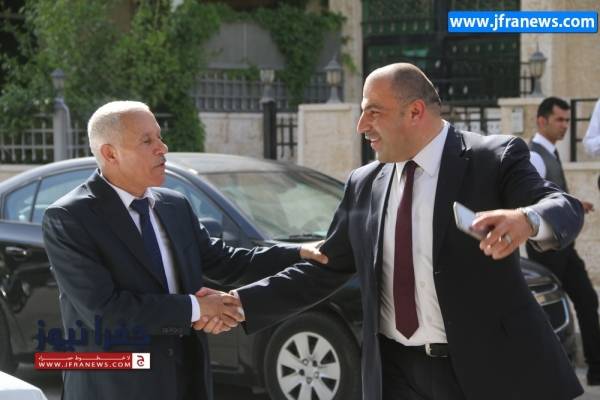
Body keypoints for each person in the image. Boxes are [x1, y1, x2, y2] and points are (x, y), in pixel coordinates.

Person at [204, 64, 586, 400]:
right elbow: (327, 267)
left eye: (373, 112)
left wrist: (526, 219)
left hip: (485, 372)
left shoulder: (492, 158)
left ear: (415, 111)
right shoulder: (364, 183)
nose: (361, 126)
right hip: (396, 375)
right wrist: (240, 303)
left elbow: (563, 205)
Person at [41, 101, 327, 400]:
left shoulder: (174, 205)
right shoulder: (70, 217)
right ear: (110, 153)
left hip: (186, 379)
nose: (162, 148)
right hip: (115, 388)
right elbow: (106, 312)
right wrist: (198, 308)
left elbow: (224, 262)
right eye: (147, 141)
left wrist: (298, 252)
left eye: (159, 136)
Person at [528, 96, 600, 385]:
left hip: (564, 247)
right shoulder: (535, 156)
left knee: (586, 299)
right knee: (548, 311)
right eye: (559, 119)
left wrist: (573, 204)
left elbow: (550, 195)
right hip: (546, 249)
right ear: (541, 120)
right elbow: (532, 202)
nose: (565, 126)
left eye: (568, 120)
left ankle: (596, 369)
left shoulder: (551, 153)